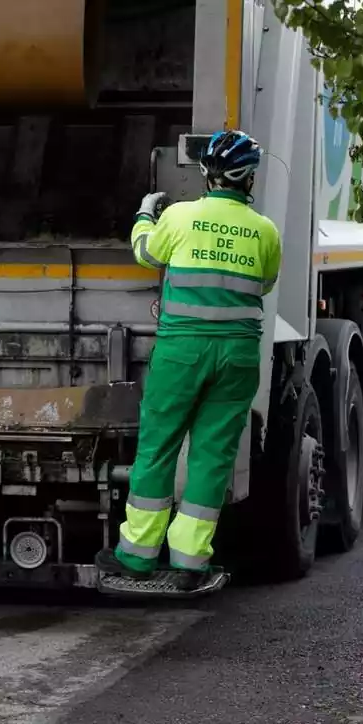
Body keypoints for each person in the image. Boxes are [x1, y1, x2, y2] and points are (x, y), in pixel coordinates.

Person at [96, 130, 282, 591]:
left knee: (158, 447)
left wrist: (144, 213)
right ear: (250, 179)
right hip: (238, 356)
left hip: (182, 353)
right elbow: (265, 285)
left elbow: (144, 253)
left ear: (208, 174)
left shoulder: (179, 216)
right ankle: (190, 561)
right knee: (212, 456)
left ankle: (137, 556)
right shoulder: (265, 231)